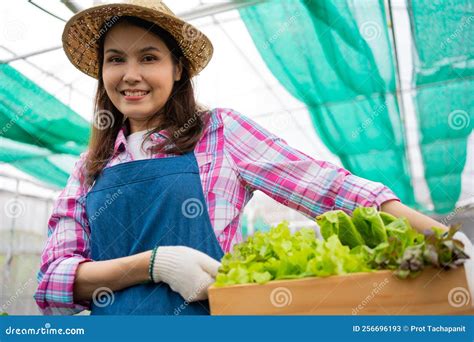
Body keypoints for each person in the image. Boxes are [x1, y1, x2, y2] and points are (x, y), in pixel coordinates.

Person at [34, 0, 471, 315]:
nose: (131, 75)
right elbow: (53, 280)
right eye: (116, 60)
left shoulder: (219, 133)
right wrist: (154, 265)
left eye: (149, 57)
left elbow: (330, 189)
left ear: (178, 68)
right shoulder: (88, 170)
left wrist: (451, 243)